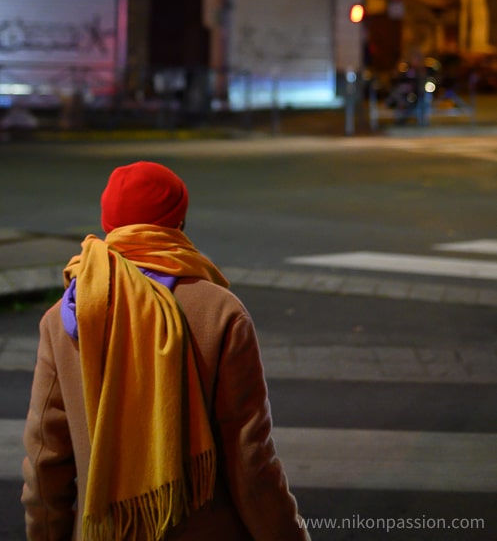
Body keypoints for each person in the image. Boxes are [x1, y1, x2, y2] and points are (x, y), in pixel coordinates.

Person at [21, 160, 310, 541]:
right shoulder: (221, 312)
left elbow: (46, 460)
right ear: (179, 225)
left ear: (111, 226)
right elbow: (250, 459)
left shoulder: (66, 317)